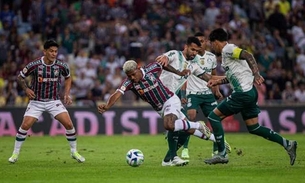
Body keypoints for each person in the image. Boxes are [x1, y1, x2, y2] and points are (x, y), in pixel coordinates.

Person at [204, 28, 297, 165]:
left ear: (216, 42)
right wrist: (217, 81)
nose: (212, 48)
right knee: (254, 127)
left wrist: (256, 74)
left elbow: (248, 55)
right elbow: (234, 76)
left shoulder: (227, 49)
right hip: (250, 92)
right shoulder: (227, 54)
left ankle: (222, 154)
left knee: (213, 117)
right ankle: (288, 143)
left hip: (242, 94)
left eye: (211, 44)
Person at [97, 60, 212, 166]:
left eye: (133, 74)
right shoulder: (129, 83)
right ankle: (215, 139)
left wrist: (179, 73)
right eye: (129, 76)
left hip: (170, 100)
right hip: (160, 109)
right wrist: (107, 106)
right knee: (187, 130)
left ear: (138, 68)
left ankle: (196, 127)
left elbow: (164, 65)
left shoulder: (150, 68)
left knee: (169, 125)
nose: (132, 77)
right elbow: (117, 93)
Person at [8, 40, 85, 163]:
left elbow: (68, 77)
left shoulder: (61, 65)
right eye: (51, 51)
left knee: (69, 125)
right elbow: (20, 77)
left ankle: (74, 152)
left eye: (55, 51)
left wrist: (66, 94)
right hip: (36, 102)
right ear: (45, 51)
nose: (54, 54)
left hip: (53, 101)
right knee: (25, 126)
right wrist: (26, 89)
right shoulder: (35, 65)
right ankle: (15, 154)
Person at [156, 36, 231, 164]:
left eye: (196, 51)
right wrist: (164, 58)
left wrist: (232, 77)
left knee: (187, 130)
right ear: (185, 47)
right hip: (162, 96)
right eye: (192, 50)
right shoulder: (175, 54)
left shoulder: (193, 65)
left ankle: (168, 159)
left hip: (172, 98)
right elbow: (165, 59)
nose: (194, 53)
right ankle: (172, 158)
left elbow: (209, 78)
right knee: (178, 125)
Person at [181, 32, 225, 158]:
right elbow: (184, 77)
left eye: (202, 40)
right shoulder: (190, 57)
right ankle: (185, 148)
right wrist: (183, 94)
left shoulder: (211, 57)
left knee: (215, 119)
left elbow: (213, 74)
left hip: (207, 93)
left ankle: (216, 149)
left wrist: (216, 90)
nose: (200, 43)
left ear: (205, 42)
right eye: (197, 41)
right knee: (190, 117)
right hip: (192, 93)